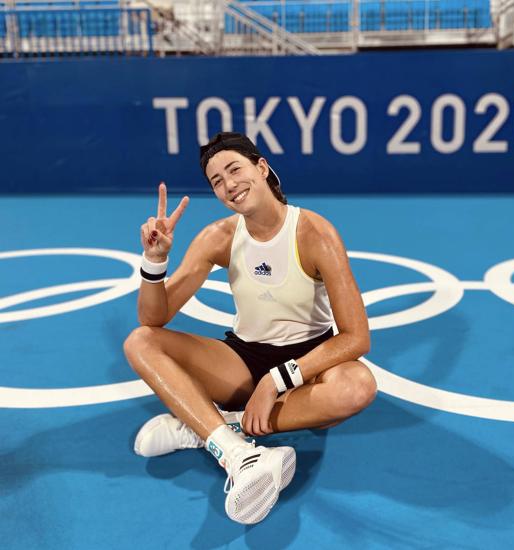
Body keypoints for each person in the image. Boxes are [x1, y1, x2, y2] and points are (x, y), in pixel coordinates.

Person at [123, 132, 376, 524]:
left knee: (357, 387)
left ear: (261, 168)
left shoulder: (314, 233)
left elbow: (356, 337)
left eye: (234, 169)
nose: (229, 185)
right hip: (243, 358)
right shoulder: (218, 238)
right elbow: (153, 318)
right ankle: (236, 451)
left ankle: (207, 426)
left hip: (310, 363)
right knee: (140, 341)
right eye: (217, 181)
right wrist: (154, 261)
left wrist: (276, 381)